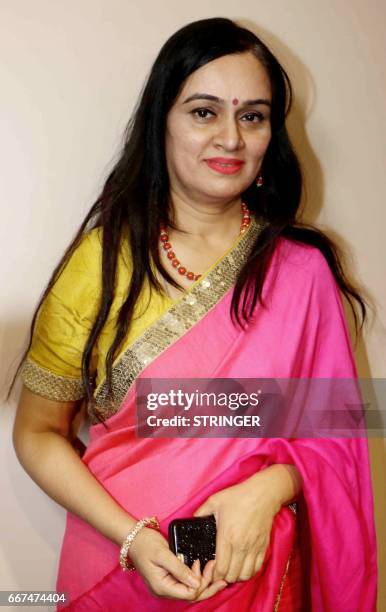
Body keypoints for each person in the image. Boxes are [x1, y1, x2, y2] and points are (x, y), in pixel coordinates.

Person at [10, 17, 377, 611]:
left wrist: (268, 488)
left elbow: (340, 437)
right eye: (204, 112)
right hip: (116, 569)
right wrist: (133, 538)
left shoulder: (301, 273)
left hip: (255, 575)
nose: (231, 138)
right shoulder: (99, 267)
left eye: (252, 115)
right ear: (162, 123)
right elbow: (37, 432)